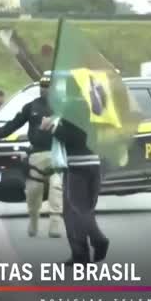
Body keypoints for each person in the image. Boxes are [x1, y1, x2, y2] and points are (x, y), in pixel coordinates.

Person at [0, 76, 63, 238]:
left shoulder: (64, 107)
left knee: (56, 187)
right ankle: (34, 219)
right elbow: (13, 125)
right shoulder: (31, 107)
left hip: (57, 153)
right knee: (33, 191)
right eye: (43, 86)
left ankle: (55, 223)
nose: (45, 89)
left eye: (49, 86)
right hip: (36, 154)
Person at [41, 110, 109, 265]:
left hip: (78, 165)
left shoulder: (74, 111)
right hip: (94, 164)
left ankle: (98, 240)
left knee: (76, 210)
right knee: (82, 209)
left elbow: (73, 136)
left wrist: (50, 127)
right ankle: (80, 254)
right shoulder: (96, 109)